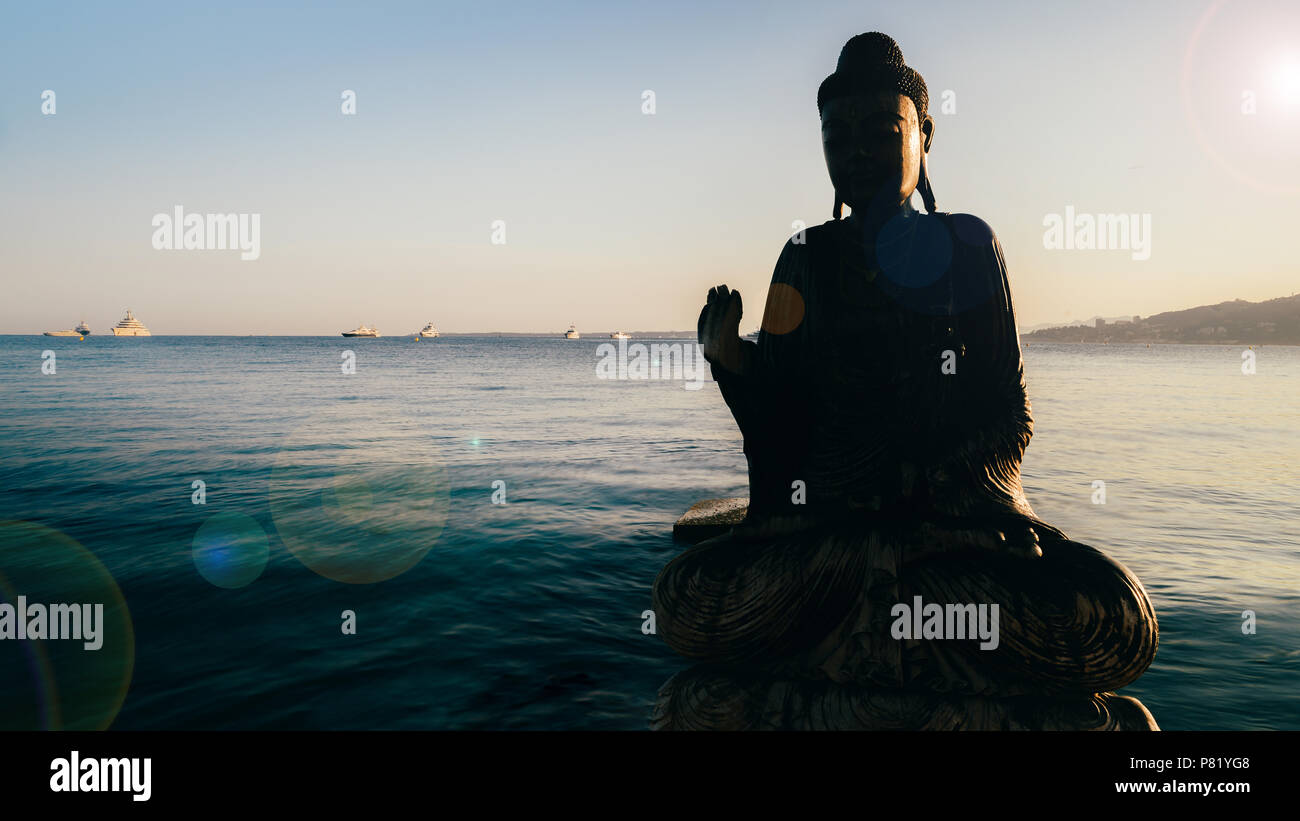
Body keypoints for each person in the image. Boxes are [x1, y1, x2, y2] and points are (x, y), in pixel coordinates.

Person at [651, 33, 1159, 730]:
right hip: (835, 541)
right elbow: (782, 428)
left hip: (952, 535)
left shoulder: (968, 248)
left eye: (881, 129)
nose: (856, 150)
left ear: (925, 135)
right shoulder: (805, 257)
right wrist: (731, 360)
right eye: (838, 134)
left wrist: (945, 494)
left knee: (1113, 611)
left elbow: (1009, 414)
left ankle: (852, 653)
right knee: (687, 597)